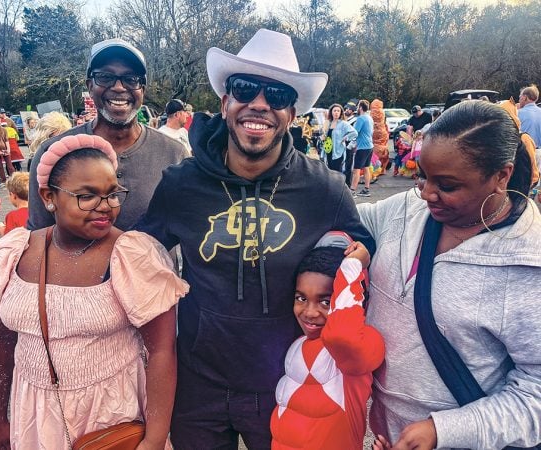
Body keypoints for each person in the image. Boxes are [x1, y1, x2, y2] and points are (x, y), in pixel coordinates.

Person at [136, 28, 375, 449]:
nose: (260, 104)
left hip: (287, 381)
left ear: (293, 112)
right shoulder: (181, 185)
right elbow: (135, 256)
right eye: (245, 88)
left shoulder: (324, 188)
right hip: (198, 384)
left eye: (277, 95)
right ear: (226, 101)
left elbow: (359, 251)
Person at [0, 134, 189, 449]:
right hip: (35, 415)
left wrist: (154, 438)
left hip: (113, 415)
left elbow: (162, 351)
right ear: (48, 197)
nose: (105, 206)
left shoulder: (134, 256)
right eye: (87, 195)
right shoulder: (14, 254)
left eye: (112, 194)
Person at [358, 101, 541, 449]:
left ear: (501, 176)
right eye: (423, 176)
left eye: (447, 185)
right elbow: (348, 219)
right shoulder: (407, 209)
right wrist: (346, 245)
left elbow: (536, 393)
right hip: (387, 435)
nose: (427, 193)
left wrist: (446, 430)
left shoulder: (529, 264)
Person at [28, 38, 188, 231]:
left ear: (142, 90)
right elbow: (38, 234)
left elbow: (188, 228)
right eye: (105, 77)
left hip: (152, 261)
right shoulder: (54, 152)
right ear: (90, 86)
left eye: (131, 79)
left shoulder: (174, 154)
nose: (119, 87)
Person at [270, 232, 384, 450]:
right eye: (301, 298)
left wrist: (352, 266)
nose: (310, 312)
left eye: (325, 301)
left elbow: (343, 336)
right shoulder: (298, 343)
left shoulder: (362, 346)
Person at [350, 100, 374, 197]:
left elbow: (354, 132)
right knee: (366, 168)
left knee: (356, 170)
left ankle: (352, 191)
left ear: (360, 108)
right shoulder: (369, 118)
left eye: (357, 106)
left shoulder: (360, 119)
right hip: (369, 146)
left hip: (362, 147)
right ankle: (366, 189)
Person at [323, 103, 357, 172]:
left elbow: (354, 133)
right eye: (334, 111)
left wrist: (346, 138)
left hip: (338, 152)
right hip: (328, 151)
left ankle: (339, 183)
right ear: (331, 112)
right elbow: (324, 134)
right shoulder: (329, 123)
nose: (336, 113)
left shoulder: (343, 123)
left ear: (341, 113)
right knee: (330, 171)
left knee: (337, 171)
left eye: (338, 111)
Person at [0, 172, 29, 237]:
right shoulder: (38, 212)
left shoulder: (13, 216)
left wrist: (0, 230)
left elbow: (9, 237)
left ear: (13, 195)